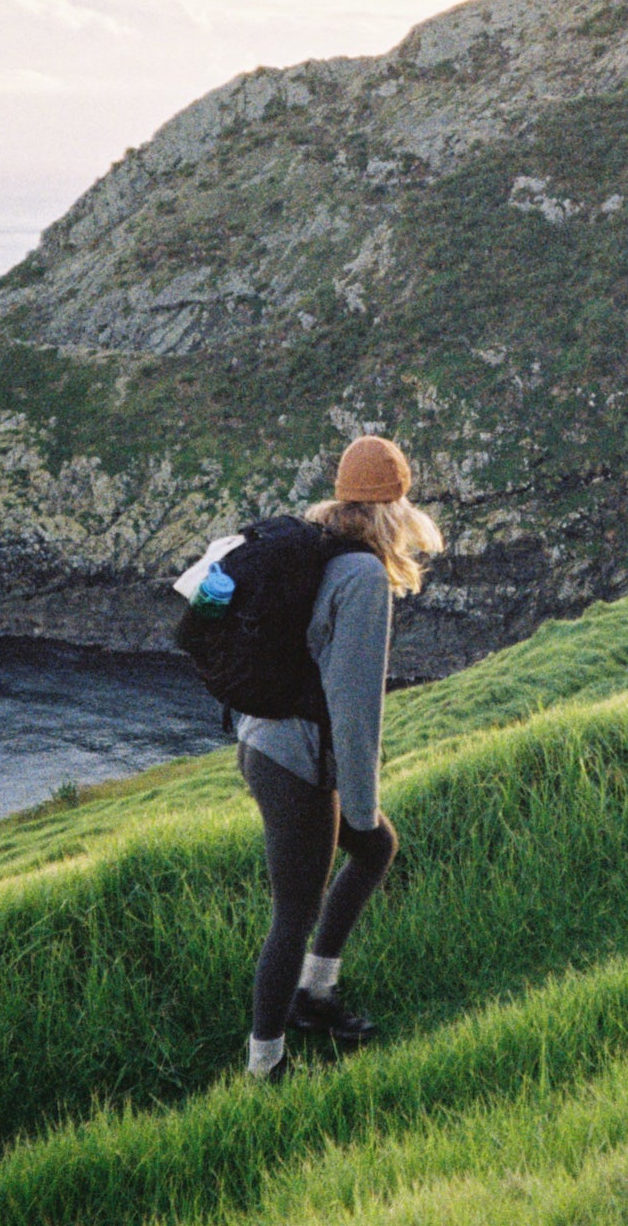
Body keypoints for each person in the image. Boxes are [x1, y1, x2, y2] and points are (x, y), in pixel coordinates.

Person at [235, 433, 441, 1081]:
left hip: (261, 740)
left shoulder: (309, 544)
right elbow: (356, 708)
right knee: (294, 910)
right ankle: (265, 1064)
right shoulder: (360, 575)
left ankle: (315, 995)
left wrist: (358, 819)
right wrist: (359, 804)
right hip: (295, 757)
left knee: (375, 849)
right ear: (397, 507)